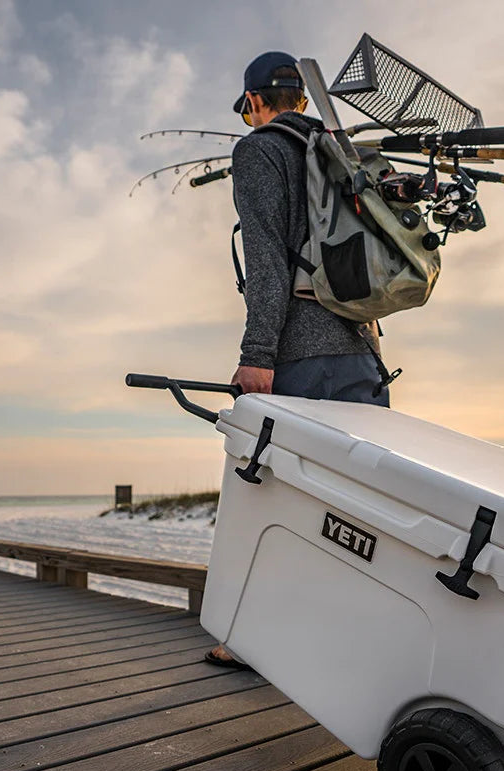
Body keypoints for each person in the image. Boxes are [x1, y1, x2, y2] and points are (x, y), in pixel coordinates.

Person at [205, 50, 389, 669]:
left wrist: (257, 355)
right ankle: (345, 642)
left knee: (273, 498)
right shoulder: (344, 153)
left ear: (254, 102)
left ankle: (254, 638)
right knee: (355, 509)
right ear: (303, 100)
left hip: (301, 362)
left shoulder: (259, 151)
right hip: (365, 353)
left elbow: (266, 261)